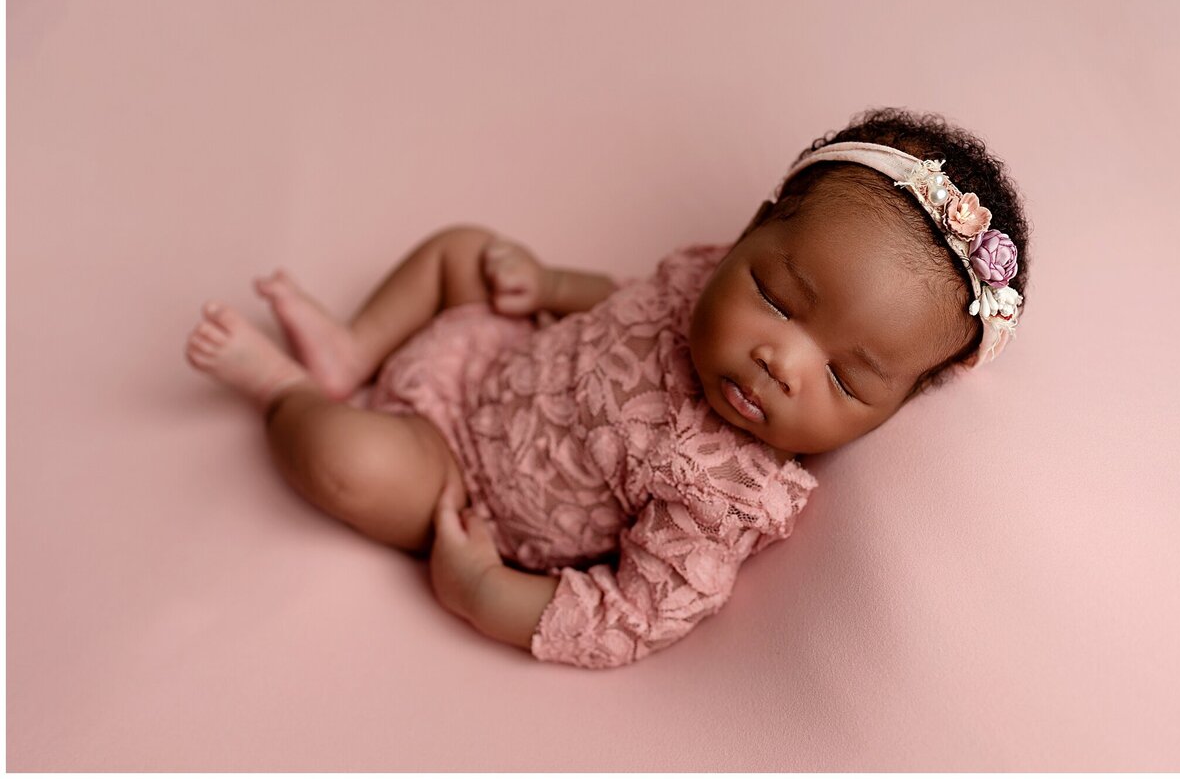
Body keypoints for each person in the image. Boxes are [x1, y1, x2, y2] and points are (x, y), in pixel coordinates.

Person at [184, 107, 1031, 669]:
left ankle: (285, 390)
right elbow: (626, 295)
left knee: (346, 459)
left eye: (845, 379)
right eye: (776, 298)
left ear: (891, 411)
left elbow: (636, 614)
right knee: (464, 245)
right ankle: (352, 347)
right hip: (490, 356)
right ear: (747, 233)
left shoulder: (727, 490)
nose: (783, 360)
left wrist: (485, 593)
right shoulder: (705, 277)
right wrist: (546, 283)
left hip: (458, 480)